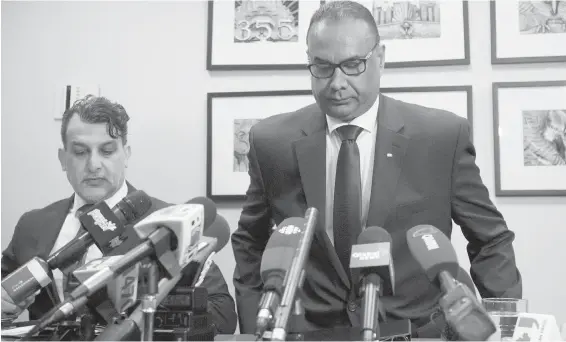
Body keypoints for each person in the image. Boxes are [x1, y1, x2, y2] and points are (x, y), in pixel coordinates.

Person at [231, 1, 522, 336]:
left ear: (380, 58)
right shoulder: (271, 142)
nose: (337, 82)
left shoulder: (440, 137)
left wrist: (507, 327)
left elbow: (490, 239)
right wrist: (258, 325)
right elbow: (250, 241)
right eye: (322, 67)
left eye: (353, 64)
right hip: (311, 332)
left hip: (416, 330)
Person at [1, 95, 237, 334]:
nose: (93, 164)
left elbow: (223, 315)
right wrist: (5, 306)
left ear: (126, 155)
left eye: (107, 151)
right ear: (63, 159)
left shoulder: (170, 224)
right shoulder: (32, 225)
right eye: (81, 152)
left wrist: (144, 299)